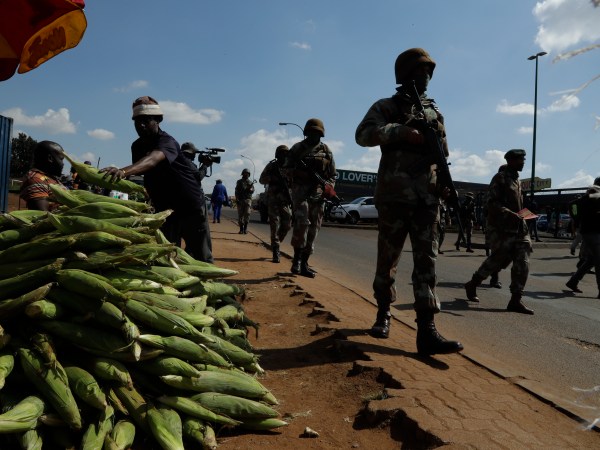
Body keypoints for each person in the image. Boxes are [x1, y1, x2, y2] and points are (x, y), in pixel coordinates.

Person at [355, 48, 463, 356]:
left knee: (427, 262)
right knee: (387, 261)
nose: (426, 78)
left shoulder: (435, 113)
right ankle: (383, 313)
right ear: (406, 76)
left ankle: (426, 330)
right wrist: (402, 132)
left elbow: (442, 155)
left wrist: (444, 187)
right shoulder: (387, 106)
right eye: (420, 72)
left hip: (426, 199)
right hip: (395, 196)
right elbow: (363, 135)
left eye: (429, 73)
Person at [100, 96, 213, 263]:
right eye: (137, 121)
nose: (141, 125)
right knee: (168, 254)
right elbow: (140, 170)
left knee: (200, 255)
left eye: (146, 121)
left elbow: (152, 160)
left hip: (189, 206)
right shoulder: (137, 146)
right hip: (164, 208)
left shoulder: (167, 141)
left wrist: (123, 171)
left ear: (158, 120)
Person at [464, 149, 534, 314]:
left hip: (519, 229)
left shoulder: (517, 181)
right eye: (519, 160)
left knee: (523, 262)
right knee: (497, 260)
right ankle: (473, 283)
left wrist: (525, 214)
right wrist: (510, 214)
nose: (523, 162)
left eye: (524, 159)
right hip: (502, 229)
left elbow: (517, 206)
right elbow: (491, 204)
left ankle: (515, 300)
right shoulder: (500, 178)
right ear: (510, 161)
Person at [284, 118, 336, 278]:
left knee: (314, 228)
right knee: (302, 224)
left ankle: (305, 262)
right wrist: (302, 174)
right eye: (312, 132)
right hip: (300, 193)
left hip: (318, 194)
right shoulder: (298, 148)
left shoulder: (326, 151)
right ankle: (296, 261)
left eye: (317, 133)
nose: (314, 136)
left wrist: (329, 186)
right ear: (307, 133)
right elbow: (286, 169)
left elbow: (332, 174)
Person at [565, 177, 600, 297]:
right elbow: (575, 204)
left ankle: (573, 282)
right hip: (591, 232)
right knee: (598, 260)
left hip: (593, 232)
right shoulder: (593, 193)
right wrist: (577, 219)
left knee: (591, 260)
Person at [259, 145, 293, 263]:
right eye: (282, 153)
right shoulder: (272, 166)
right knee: (274, 225)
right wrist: (273, 178)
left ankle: (276, 241)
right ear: (277, 154)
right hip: (273, 200)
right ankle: (276, 250)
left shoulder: (290, 167)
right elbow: (261, 179)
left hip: (285, 200)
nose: (284, 155)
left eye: (286, 153)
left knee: (287, 224)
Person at [180, 141, 214, 261]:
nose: (195, 156)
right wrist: (204, 166)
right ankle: (202, 259)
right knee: (201, 232)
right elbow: (198, 177)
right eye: (193, 154)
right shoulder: (187, 163)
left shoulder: (179, 162)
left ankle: (190, 254)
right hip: (194, 202)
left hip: (185, 202)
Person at [20, 140, 66, 211]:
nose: (63, 164)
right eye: (61, 159)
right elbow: (41, 215)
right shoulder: (36, 179)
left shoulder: (51, 178)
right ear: (50, 158)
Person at [235, 169, 254, 234]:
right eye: (245, 173)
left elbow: (252, 191)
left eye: (248, 173)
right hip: (240, 200)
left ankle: (245, 228)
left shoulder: (250, 182)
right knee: (240, 215)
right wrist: (237, 198)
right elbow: (236, 191)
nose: (246, 174)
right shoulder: (239, 182)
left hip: (248, 200)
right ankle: (241, 229)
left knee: (247, 213)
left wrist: (250, 188)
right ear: (242, 174)